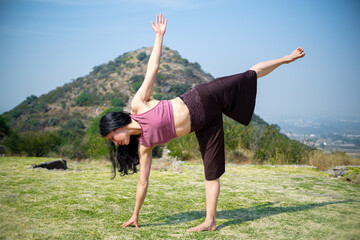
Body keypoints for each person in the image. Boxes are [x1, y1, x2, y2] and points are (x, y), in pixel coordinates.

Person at [99, 14, 305, 232]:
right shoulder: (144, 145)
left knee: (248, 76)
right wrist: (135, 215)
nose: (115, 143)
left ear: (117, 126)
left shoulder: (138, 105)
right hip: (204, 125)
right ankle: (210, 221)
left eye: (112, 138)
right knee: (211, 171)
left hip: (204, 97)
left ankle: (286, 59)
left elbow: (153, 69)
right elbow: (143, 182)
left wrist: (159, 36)